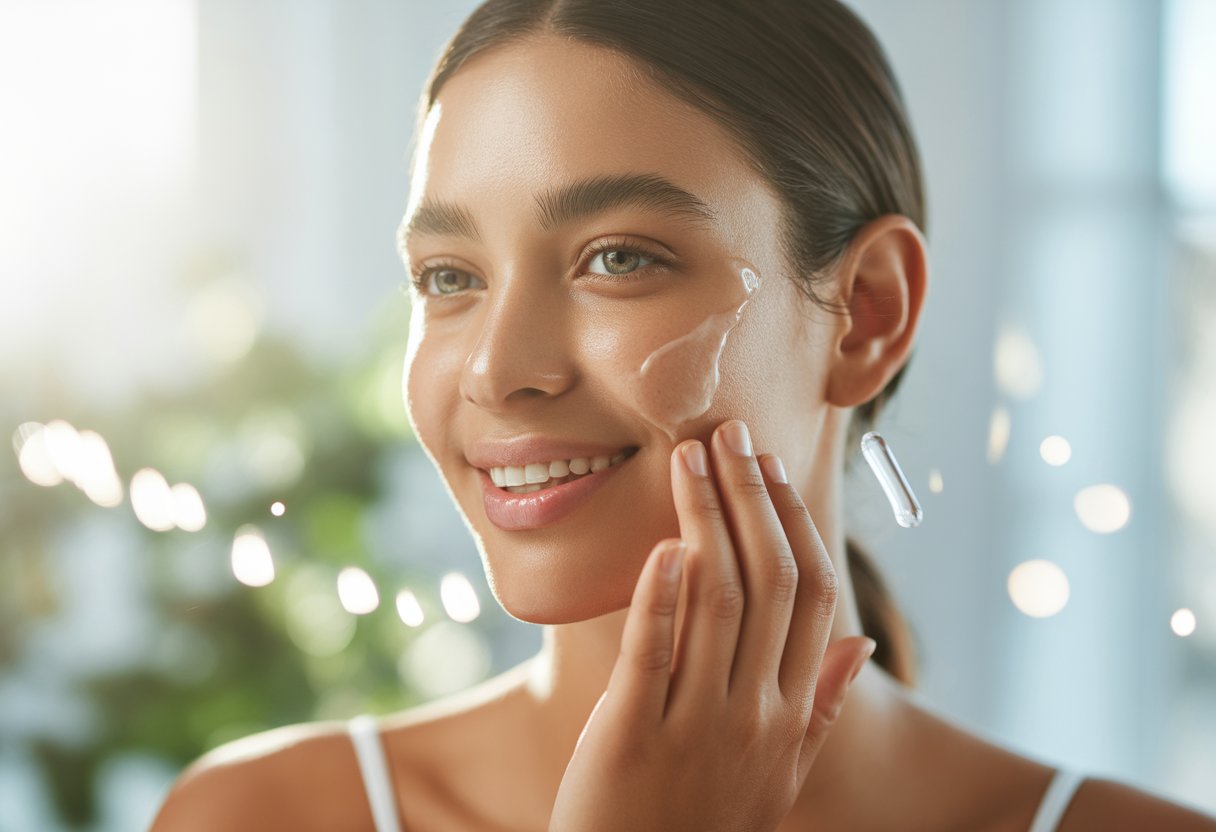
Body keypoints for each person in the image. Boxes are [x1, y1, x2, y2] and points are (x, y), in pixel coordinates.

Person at [152, 1, 1216, 829]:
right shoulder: (263, 817)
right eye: (449, 276)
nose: (495, 370)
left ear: (866, 313)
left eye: (618, 258)